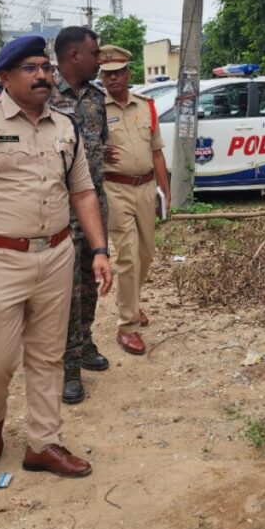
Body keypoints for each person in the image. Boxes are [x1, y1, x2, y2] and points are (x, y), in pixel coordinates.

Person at [0, 35, 112, 478]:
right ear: (5, 77)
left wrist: (98, 249)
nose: (42, 75)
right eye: (31, 68)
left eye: (46, 67)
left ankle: (44, 443)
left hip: (56, 254)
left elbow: (84, 192)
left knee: (48, 355)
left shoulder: (64, 126)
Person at [49, 26, 109, 403]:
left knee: (93, 280)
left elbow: (101, 145)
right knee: (65, 292)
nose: (100, 59)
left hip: (95, 206)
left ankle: (84, 341)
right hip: (59, 211)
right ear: (74, 56)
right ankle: (66, 366)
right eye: (95, 53)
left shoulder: (95, 97)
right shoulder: (44, 96)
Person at [98, 45, 170, 356]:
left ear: (128, 74)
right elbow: (80, 150)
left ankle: (132, 302)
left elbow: (156, 151)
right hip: (115, 189)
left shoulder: (147, 106)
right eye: (107, 74)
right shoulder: (95, 108)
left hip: (146, 187)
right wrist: (96, 153)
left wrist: (166, 192)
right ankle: (127, 326)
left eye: (118, 72)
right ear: (101, 76)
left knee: (147, 254)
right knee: (127, 256)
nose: (113, 78)